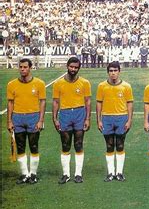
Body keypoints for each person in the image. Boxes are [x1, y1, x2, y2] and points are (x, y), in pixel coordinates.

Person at [6, 58, 46, 184]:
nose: (22, 69)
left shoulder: (39, 83)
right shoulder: (11, 84)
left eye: (25, 67)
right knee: (20, 146)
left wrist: (40, 120)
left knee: (34, 146)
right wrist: (9, 121)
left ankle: (33, 174)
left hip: (33, 118)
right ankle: (24, 174)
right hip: (17, 118)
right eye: (21, 67)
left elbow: (43, 102)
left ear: (30, 68)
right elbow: (10, 103)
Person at [52, 56, 91, 184]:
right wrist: (55, 118)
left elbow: (88, 101)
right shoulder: (58, 83)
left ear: (79, 68)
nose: (73, 69)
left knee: (78, 144)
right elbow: (56, 102)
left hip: (80, 113)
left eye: (76, 67)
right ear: (67, 66)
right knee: (65, 144)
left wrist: (87, 119)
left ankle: (78, 174)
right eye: (71, 67)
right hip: (65, 114)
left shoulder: (85, 83)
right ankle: (66, 174)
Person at [96, 61, 134, 182]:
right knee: (109, 145)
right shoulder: (102, 86)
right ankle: (110, 172)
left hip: (121, 118)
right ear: (108, 72)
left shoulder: (126, 86)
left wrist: (129, 120)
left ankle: (119, 172)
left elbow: (130, 103)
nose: (113, 73)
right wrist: (99, 120)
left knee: (120, 144)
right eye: (111, 71)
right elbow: (98, 103)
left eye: (115, 71)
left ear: (119, 71)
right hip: (107, 118)